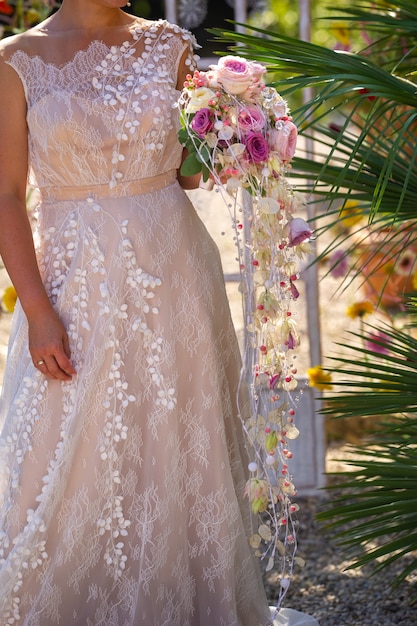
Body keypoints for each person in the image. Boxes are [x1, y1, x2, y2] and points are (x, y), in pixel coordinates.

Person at [0, 2, 320, 625]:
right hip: (74, 285)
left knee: (176, 434)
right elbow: (7, 195)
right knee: (71, 443)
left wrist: (235, 132)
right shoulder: (16, 60)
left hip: (176, 271)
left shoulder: (169, 44)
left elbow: (186, 174)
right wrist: (37, 309)